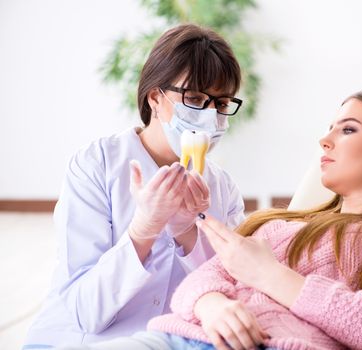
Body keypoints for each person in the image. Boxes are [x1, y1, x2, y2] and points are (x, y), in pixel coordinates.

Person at [58, 90, 362, 350]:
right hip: (177, 336)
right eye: (329, 128)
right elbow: (202, 280)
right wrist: (211, 304)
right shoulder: (280, 224)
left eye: (348, 129)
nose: (325, 140)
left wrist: (270, 276)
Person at [23, 23, 246, 348]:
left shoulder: (222, 188)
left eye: (222, 104)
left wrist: (187, 235)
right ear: (155, 97)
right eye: (195, 98)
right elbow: (86, 313)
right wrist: (144, 230)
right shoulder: (96, 166)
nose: (210, 116)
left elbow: (228, 287)